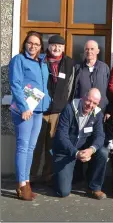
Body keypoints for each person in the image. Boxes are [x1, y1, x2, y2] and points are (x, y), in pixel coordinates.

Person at [9, 31, 51, 200]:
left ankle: (26, 181)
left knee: (31, 148)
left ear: (41, 47)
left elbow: (43, 85)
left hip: (38, 109)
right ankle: (20, 184)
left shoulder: (42, 62)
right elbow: (16, 84)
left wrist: (48, 99)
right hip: (24, 110)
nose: (33, 46)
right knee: (23, 146)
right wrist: (24, 107)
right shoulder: (19, 60)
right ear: (25, 43)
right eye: (30, 43)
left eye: (36, 44)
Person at [31, 35, 75, 186]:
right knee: (36, 144)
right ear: (48, 46)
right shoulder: (40, 60)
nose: (56, 48)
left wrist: (67, 107)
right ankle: (32, 176)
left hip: (58, 111)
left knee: (52, 145)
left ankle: (47, 175)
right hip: (39, 110)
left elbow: (71, 87)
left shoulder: (69, 63)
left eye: (60, 46)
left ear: (63, 48)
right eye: (53, 45)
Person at [52, 88, 108, 200]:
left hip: (83, 149)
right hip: (66, 151)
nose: (90, 105)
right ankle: (57, 176)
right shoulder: (69, 109)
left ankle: (94, 187)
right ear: (83, 97)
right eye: (89, 100)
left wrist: (91, 149)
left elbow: (100, 136)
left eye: (95, 103)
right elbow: (61, 136)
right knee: (63, 192)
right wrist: (75, 153)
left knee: (103, 152)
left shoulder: (97, 113)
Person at [73, 40, 110, 112]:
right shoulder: (78, 68)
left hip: (100, 110)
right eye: (87, 49)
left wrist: (109, 110)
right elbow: (74, 89)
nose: (89, 51)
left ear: (98, 51)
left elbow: (109, 90)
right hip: (82, 109)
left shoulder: (104, 68)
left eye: (92, 49)